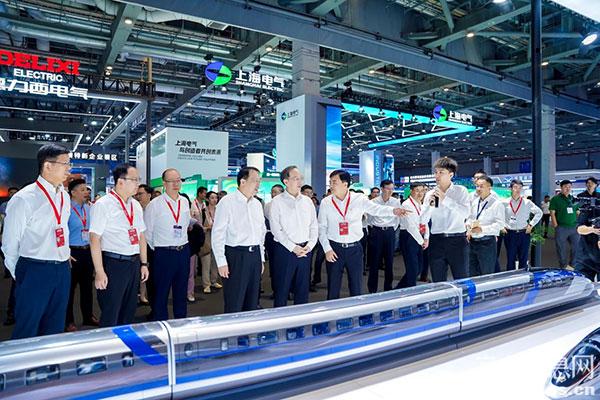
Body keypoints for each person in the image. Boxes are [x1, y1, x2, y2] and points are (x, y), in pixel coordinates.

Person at [2, 144, 72, 339]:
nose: (69, 169)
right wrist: (22, 274)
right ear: (48, 165)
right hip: (35, 268)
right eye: (65, 164)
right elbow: (9, 243)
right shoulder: (24, 198)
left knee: (55, 327)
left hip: (62, 269)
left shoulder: (64, 196)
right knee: (28, 327)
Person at [318, 169, 409, 300]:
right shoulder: (326, 202)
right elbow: (321, 227)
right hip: (334, 249)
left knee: (356, 287)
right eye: (330, 182)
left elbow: (376, 209)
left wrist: (393, 211)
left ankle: (356, 311)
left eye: (334, 182)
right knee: (333, 288)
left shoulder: (358, 199)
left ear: (345, 184)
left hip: (355, 249)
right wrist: (327, 249)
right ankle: (333, 312)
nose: (331, 185)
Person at [89, 164, 149, 327]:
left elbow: (141, 235)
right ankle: (108, 343)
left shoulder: (135, 205)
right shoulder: (103, 204)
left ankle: (124, 342)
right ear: (120, 182)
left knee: (129, 310)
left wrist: (144, 263)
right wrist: (99, 271)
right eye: (134, 180)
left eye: (138, 180)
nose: (138, 184)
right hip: (114, 263)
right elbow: (94, 239)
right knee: (111, 311)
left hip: (133, 263)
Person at [212, 167, 266, 313]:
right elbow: (218, 234)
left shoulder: (257, 204)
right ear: (242, 181)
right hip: (236, 256)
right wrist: (221, 262)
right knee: (235, 301)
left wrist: (261, 258)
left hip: (254, 255)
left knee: (252, 302)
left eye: (259, 181)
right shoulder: (227, 202)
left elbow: (261, 233)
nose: (258, 184)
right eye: (255, 181)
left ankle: (248, 328)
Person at [143, 168, 191, 321]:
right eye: (172, 181)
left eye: (178, 180)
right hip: (163, 253)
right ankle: (160, 324)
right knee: (161, 292)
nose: (176, 184)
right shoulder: (155, 205)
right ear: (164, 183)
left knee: (181, 291)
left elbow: (185, 225)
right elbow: (147, 233)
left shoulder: (184, 201)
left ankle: (181, 323)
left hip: (183, 251)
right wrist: (159, 249)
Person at [269, 166, 318, 307]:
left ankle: (301, 320)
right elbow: (276, 230)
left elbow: (314, 226)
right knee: (282, 290)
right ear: (286, 181)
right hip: (285, 250)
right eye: (296, 178)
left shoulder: (307, 201)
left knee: (302, 290)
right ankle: (280, 319)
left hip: (305, 250)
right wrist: (293, 247)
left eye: (300, 178)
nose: (300, 182)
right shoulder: (277, 202)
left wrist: (309, 246)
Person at [421, 157, 470, 282]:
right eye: (436, 172)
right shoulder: (430, 194)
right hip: (436, 241)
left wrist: (445, 199)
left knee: (462, 278)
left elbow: (465, 213)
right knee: (438, 281)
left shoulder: (461, 191)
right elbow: (423, 220)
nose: (437, 175)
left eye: (441, 172)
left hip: (457, 240)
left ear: (451, 174)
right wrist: (429, 206)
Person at [65, 178, 98, 332]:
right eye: (83, 190)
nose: (86, 192)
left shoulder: (89, 208)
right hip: (72, 252)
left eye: (87, 189)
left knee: (87, 288)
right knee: (69, 289)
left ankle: (88, 316)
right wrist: (64, 251)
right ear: (73, 192)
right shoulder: (66, 210)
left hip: (87, 251)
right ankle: (68, 321)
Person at [366, 179, 401, 293]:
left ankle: (388, 288)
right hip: (377, 231)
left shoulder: (396, 202)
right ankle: (372, 289)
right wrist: (375, 228)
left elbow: (397, 219)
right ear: (382, 189)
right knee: (374, 261)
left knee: (389, 261)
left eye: (392, 189)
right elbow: (369, 218)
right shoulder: (374, 201)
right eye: (388, 188)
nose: (390, 191)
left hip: (389, 232)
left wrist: (392, 229)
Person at [466, 176, 505, 277]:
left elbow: (500, 224)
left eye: (481, 186)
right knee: (472, 273)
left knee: (486, 275)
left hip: (487, 243)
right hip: (472, 242)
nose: (478, 189)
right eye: (477, 186)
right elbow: (470, 217)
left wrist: (482, 229)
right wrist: (468, 226)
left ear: (489, 187)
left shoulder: (496, 204)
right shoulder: (474, 202)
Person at [503, 179, 543, 270]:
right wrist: (502, 226)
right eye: (515, 187)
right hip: (510, 234)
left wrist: (531, 225)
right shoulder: (504, 203)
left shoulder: (527, 202)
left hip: (523, 233)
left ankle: (523, 276)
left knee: (523, 258)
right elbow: (498, 215)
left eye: (520, 187)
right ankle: (511, 277)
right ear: (510, 188)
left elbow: (539, 212)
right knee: (510, 258)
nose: (518, 190)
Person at [397, 182, 429, 288]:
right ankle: (411, 292)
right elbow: (410, 226)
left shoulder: (421, 204)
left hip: (419, 236)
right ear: (411, 191)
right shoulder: (406, 205)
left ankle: (399, 289)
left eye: (422, 191)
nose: (420, 193)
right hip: (409, 236)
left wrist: (426, 238)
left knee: (418, 268)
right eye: (417, 191)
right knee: (413, 268)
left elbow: (424, 221)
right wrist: (422, 241)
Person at [550, 180, 580, 269]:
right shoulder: (555, 199)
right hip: (561, 228)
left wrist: (579, 223)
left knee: (576, 247)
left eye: (569, 187)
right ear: (561, 188)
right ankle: (563, 266)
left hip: (574, 228)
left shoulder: (573, 199)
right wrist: (556, 226)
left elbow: (578, 212)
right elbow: (552, 213)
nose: (568, 189)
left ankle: (572, 265)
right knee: (561, 248)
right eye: (565, 187)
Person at [199, 191, 221, 294]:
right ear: (207, 199)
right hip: (206, 239)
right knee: (206, 263)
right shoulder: (203, 211)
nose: (214, 200)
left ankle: (214, 281)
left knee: (215, 262)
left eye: (216, 198)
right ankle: (206, 284)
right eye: (212, 198)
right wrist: (208, 227)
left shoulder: (219, 211)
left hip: (217, 239)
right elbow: (199, 226)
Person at [264, 184, 284, 297]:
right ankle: (275, 290)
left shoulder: (287, 205)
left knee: (284, 264)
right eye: (272, 192)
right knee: (273, 264)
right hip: (271, 237)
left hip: (285, 237)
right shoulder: (267, 205)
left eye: (276, 192)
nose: (273, 194)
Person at [134, 184, 153, 305]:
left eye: (141, 194)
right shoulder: (135, 209)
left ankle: (143, 295)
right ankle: (137, 295)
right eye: (137, 194)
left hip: (150, 246)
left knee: (147, 271)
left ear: (149, 195)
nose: (138, 196)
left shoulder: (154, 209)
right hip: (136, 246)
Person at [574, 202, 600, 281]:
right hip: (585, 257)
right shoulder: (590, 208)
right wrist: (592, 229)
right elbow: (579, 229)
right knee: (581, 285)